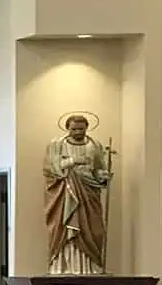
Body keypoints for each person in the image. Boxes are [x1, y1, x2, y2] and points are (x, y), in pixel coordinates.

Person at [44, 113, 114, 275]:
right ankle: (63, 265)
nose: (77, 132)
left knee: (93, 227)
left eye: (81, 129)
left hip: (89, 191)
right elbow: (51, 169)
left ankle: (90, 265)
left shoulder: (94, 145)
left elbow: (98, 168)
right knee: (66, 225)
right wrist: (72, 162)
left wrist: (103, 176)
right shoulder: (57, 144)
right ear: (67, 128)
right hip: (65, 191)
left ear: (86, 128)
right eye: (73, 129)